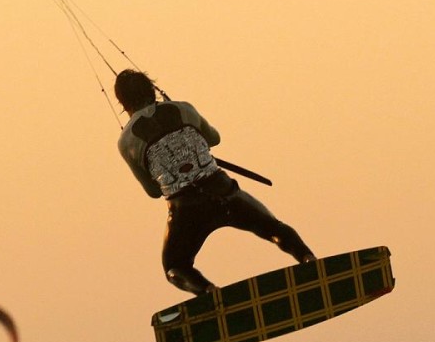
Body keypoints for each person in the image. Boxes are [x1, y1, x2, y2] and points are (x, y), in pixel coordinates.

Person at [115, 70, 315, 295]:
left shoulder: (126, 141)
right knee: (273, 228)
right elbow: (214, 139)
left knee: (175, 267)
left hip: (185, 209)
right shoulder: (184, 108)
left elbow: (153, 191)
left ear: (122, 102)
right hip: (222, 190)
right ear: (152, 89)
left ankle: (209, 291)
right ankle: (308, 260)